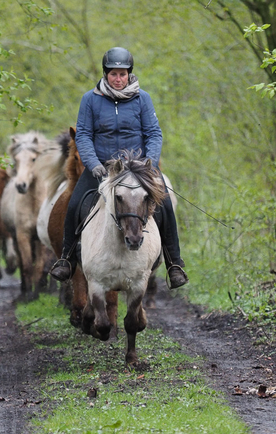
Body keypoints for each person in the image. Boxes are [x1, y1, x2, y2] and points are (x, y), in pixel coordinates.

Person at [49, 46, 188, 289]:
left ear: (129, 74)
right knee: (74, 202)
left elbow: (154, 133)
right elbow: (83, 136)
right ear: (105, 74)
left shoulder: (142, 98)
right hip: (103, 168)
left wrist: (150, 164)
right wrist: (93, 165)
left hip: (138, 169)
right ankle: (66, 259)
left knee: (165, 203)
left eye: (123, 74)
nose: (118, 78)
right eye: (113, 74)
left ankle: (174, 263)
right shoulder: (90, 100)